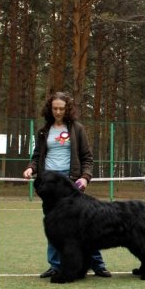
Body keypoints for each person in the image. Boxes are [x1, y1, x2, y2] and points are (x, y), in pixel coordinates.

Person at [23, 91, 112, 279]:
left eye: (61, 108)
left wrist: (86, 177)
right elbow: (37, 156)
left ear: (67, 109)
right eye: (54, 108)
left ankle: (98, 265)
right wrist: (31, 168)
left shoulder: (77, 129)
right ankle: (55, 265)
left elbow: (87, 158)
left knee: (85, 227)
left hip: (70, 183)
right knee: (54, 226)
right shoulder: (43, 131)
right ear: (50, 108)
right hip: (49, 185)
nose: (57, 112)